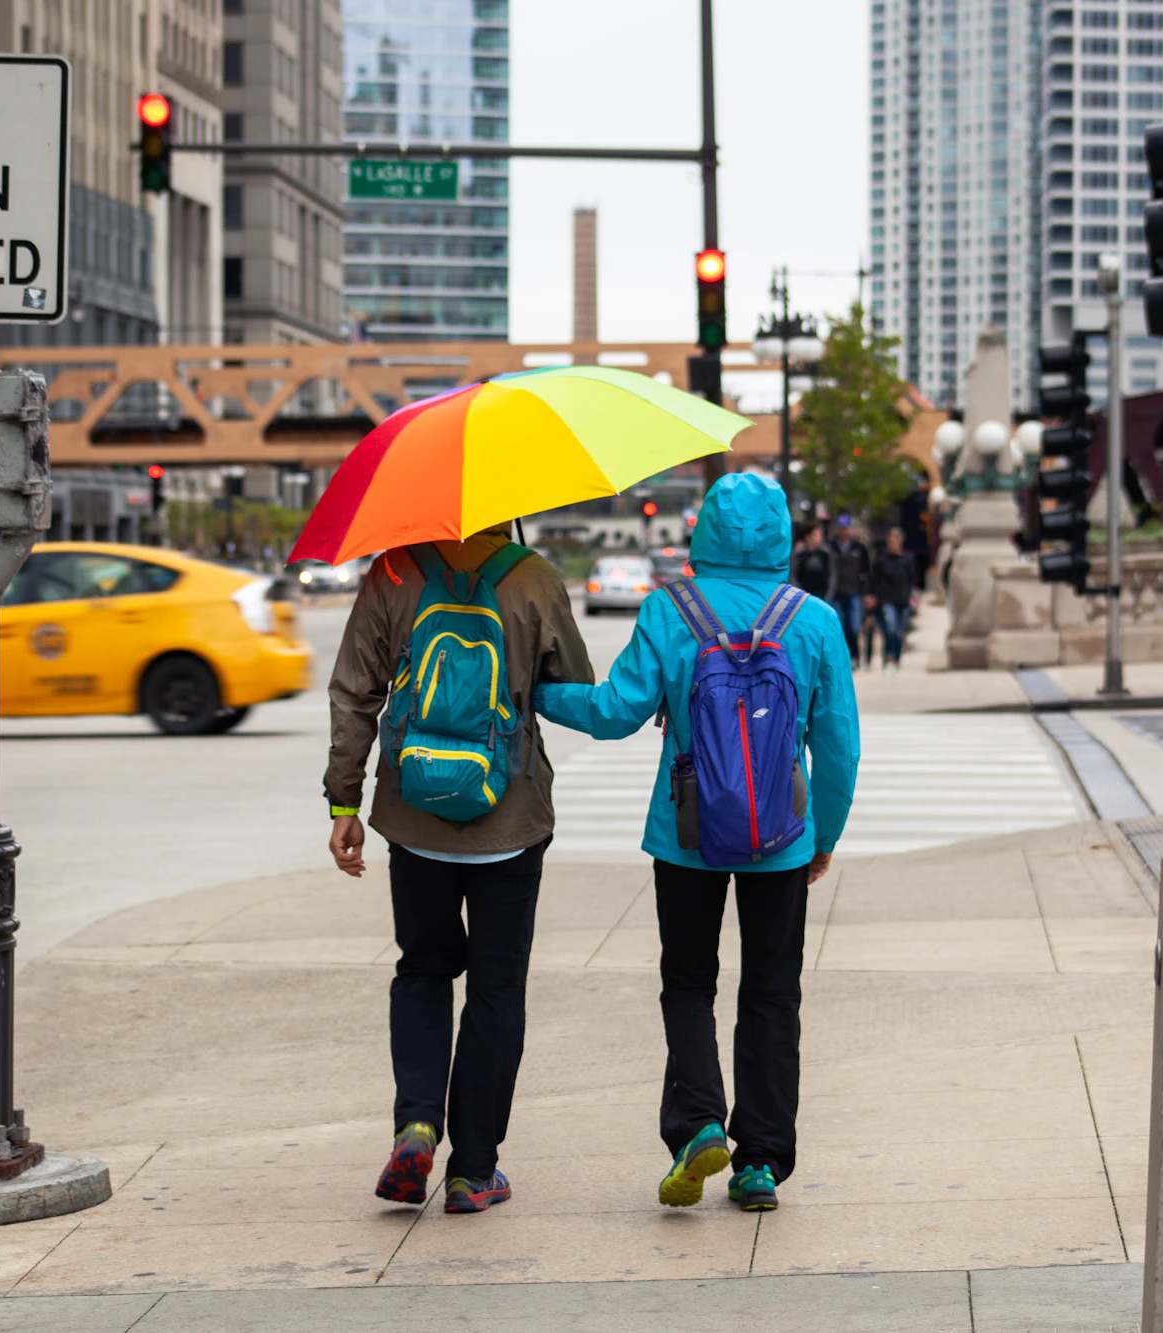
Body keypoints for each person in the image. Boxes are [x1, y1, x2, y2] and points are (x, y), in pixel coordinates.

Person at [534, 474, 861, 1214]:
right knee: (773, 991)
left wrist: (542, 691)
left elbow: (617, 711)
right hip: (782, 837)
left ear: (703, 530)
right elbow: (839, 747)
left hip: (686, 837)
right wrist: (824, 835)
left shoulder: (670, 610)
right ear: (780, 534)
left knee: (688, 981)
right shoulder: (813, 622)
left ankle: (699, 1122)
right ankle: (762, 1162)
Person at [325, 523, 593, 1214]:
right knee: (497, 990)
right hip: (510, 816)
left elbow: (354, 690)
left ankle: (417, 1120)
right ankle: (474, 1171)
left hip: (413, 817)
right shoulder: (534, 576)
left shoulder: (393, 572)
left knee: (422, 968)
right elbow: (573, 684)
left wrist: (344, 800)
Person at [871, 527, 921, 672]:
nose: (893, 544)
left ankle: (896, 660)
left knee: (900, 633)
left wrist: (913, 598)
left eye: (895, 541)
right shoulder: (882, 560)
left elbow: (913, 580)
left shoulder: (907, 559)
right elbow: (875, 580)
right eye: (890, 541)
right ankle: (888, 658)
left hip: (904, 601)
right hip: (888, 600)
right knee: (890, 630)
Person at [828, 515, 872, 661]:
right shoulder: (830, 548)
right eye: (841, 528)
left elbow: (867, 572)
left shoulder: (859, 548)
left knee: (854, 628)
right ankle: (844, 658)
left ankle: (855, 655)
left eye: (846, 528)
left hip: (854, 593)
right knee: (840, 627)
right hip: (836, 593)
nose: (843, 531)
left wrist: (867, 593)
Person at [790, 521, 834, 600]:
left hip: (822, 596)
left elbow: (832, 575)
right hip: (803, 597)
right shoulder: (799, 554)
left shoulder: (825, 554)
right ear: (807, 537)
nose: (820, 538)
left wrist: (828, 595)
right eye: (816, 535)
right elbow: (793, 575)